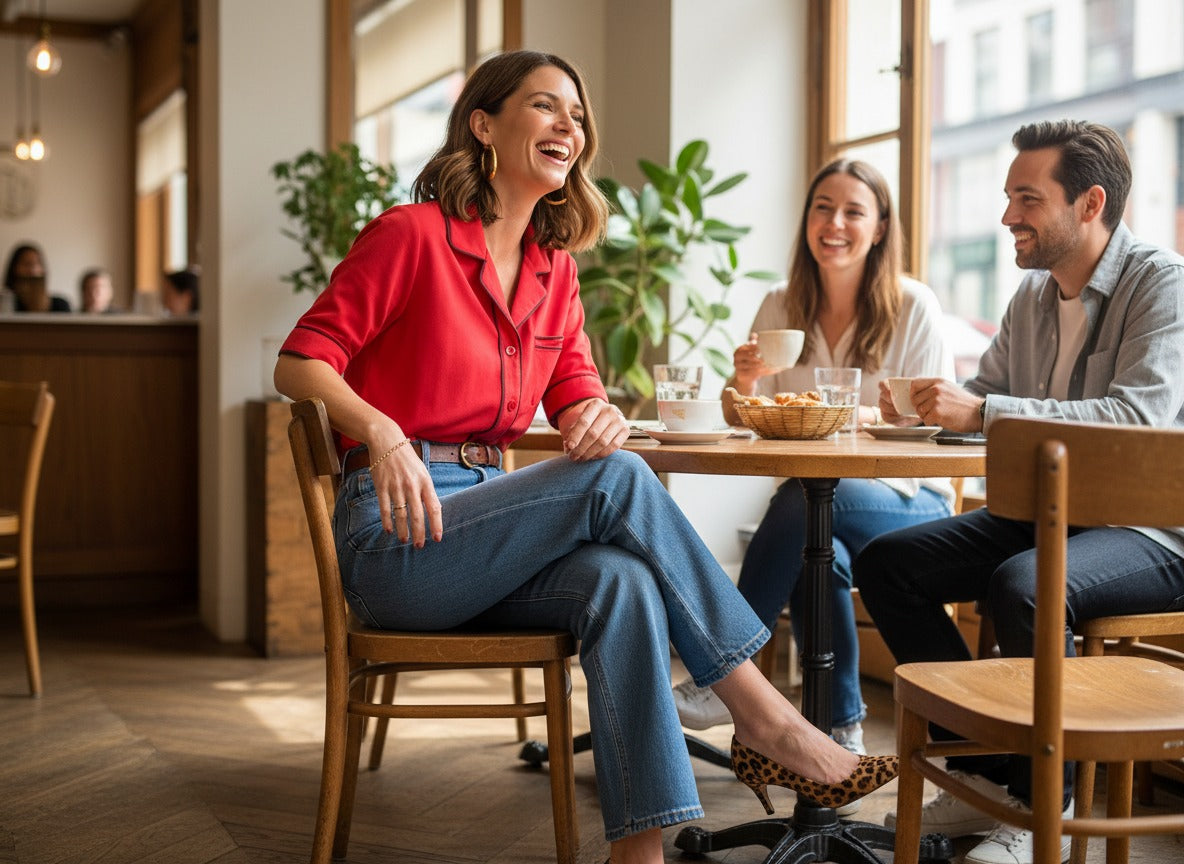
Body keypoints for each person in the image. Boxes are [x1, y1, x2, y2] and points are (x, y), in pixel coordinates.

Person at [273, 51, 898, 864]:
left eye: (576, 115)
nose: (569, 126)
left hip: (487, 535)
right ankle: (764, 716)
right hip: (397, 541)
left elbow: (579, 397)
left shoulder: (553, 271)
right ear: (484, 125)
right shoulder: (411, 236)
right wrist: (381, 429)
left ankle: (637, 854)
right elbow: (300, 362)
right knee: (616, 484)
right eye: (545, 108)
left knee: (622, 578)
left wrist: (598, 416)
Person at [853, 120, 1184, 864]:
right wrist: (925, 405)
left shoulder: (1162, 283)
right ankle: (989, 775)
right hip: (1050, 514)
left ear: (1090, 203)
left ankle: (1043, 809)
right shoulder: (1032, 296)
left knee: (1024, 587)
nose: (1007, 216)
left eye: (1026, 199)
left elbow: (1139, 418)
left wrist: (988, 411)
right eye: (1009, 197)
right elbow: (986, 395)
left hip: (1154, 532)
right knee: (884, 565)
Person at [671, 159, 955, 762]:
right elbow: (742, 416)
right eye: (823, 207)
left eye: (855, 211)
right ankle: (840, 729)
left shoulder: (914, 306)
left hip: (911, 498)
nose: (835, 223)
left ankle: (728, 673)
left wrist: (868, 418)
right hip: (819, 501)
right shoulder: (781, 303)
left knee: (803, 502)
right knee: (816, 555)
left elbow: (935, 422)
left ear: (880, 228)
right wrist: (745, 380)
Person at [4, 243, 71, 312]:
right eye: (27, 264)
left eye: (36, 263)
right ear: (14, 268)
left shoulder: (60, 305)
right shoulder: (5, 303)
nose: (32, 270)